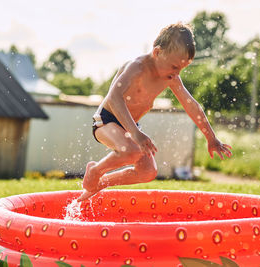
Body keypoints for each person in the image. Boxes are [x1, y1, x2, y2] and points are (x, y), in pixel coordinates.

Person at [78, 22, 232, 201]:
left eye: (181, 69)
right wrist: (136, 133)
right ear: (157, 52)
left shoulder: (171, 77)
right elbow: (114, 98)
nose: (176, 74)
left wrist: (211, 137)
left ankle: (101, 182)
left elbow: (191, 105)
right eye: (174, 67)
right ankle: (95, 170)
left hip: (130, 126)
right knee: (132, 151)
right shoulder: (137, 67)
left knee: (148, 172)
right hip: (106, 120)